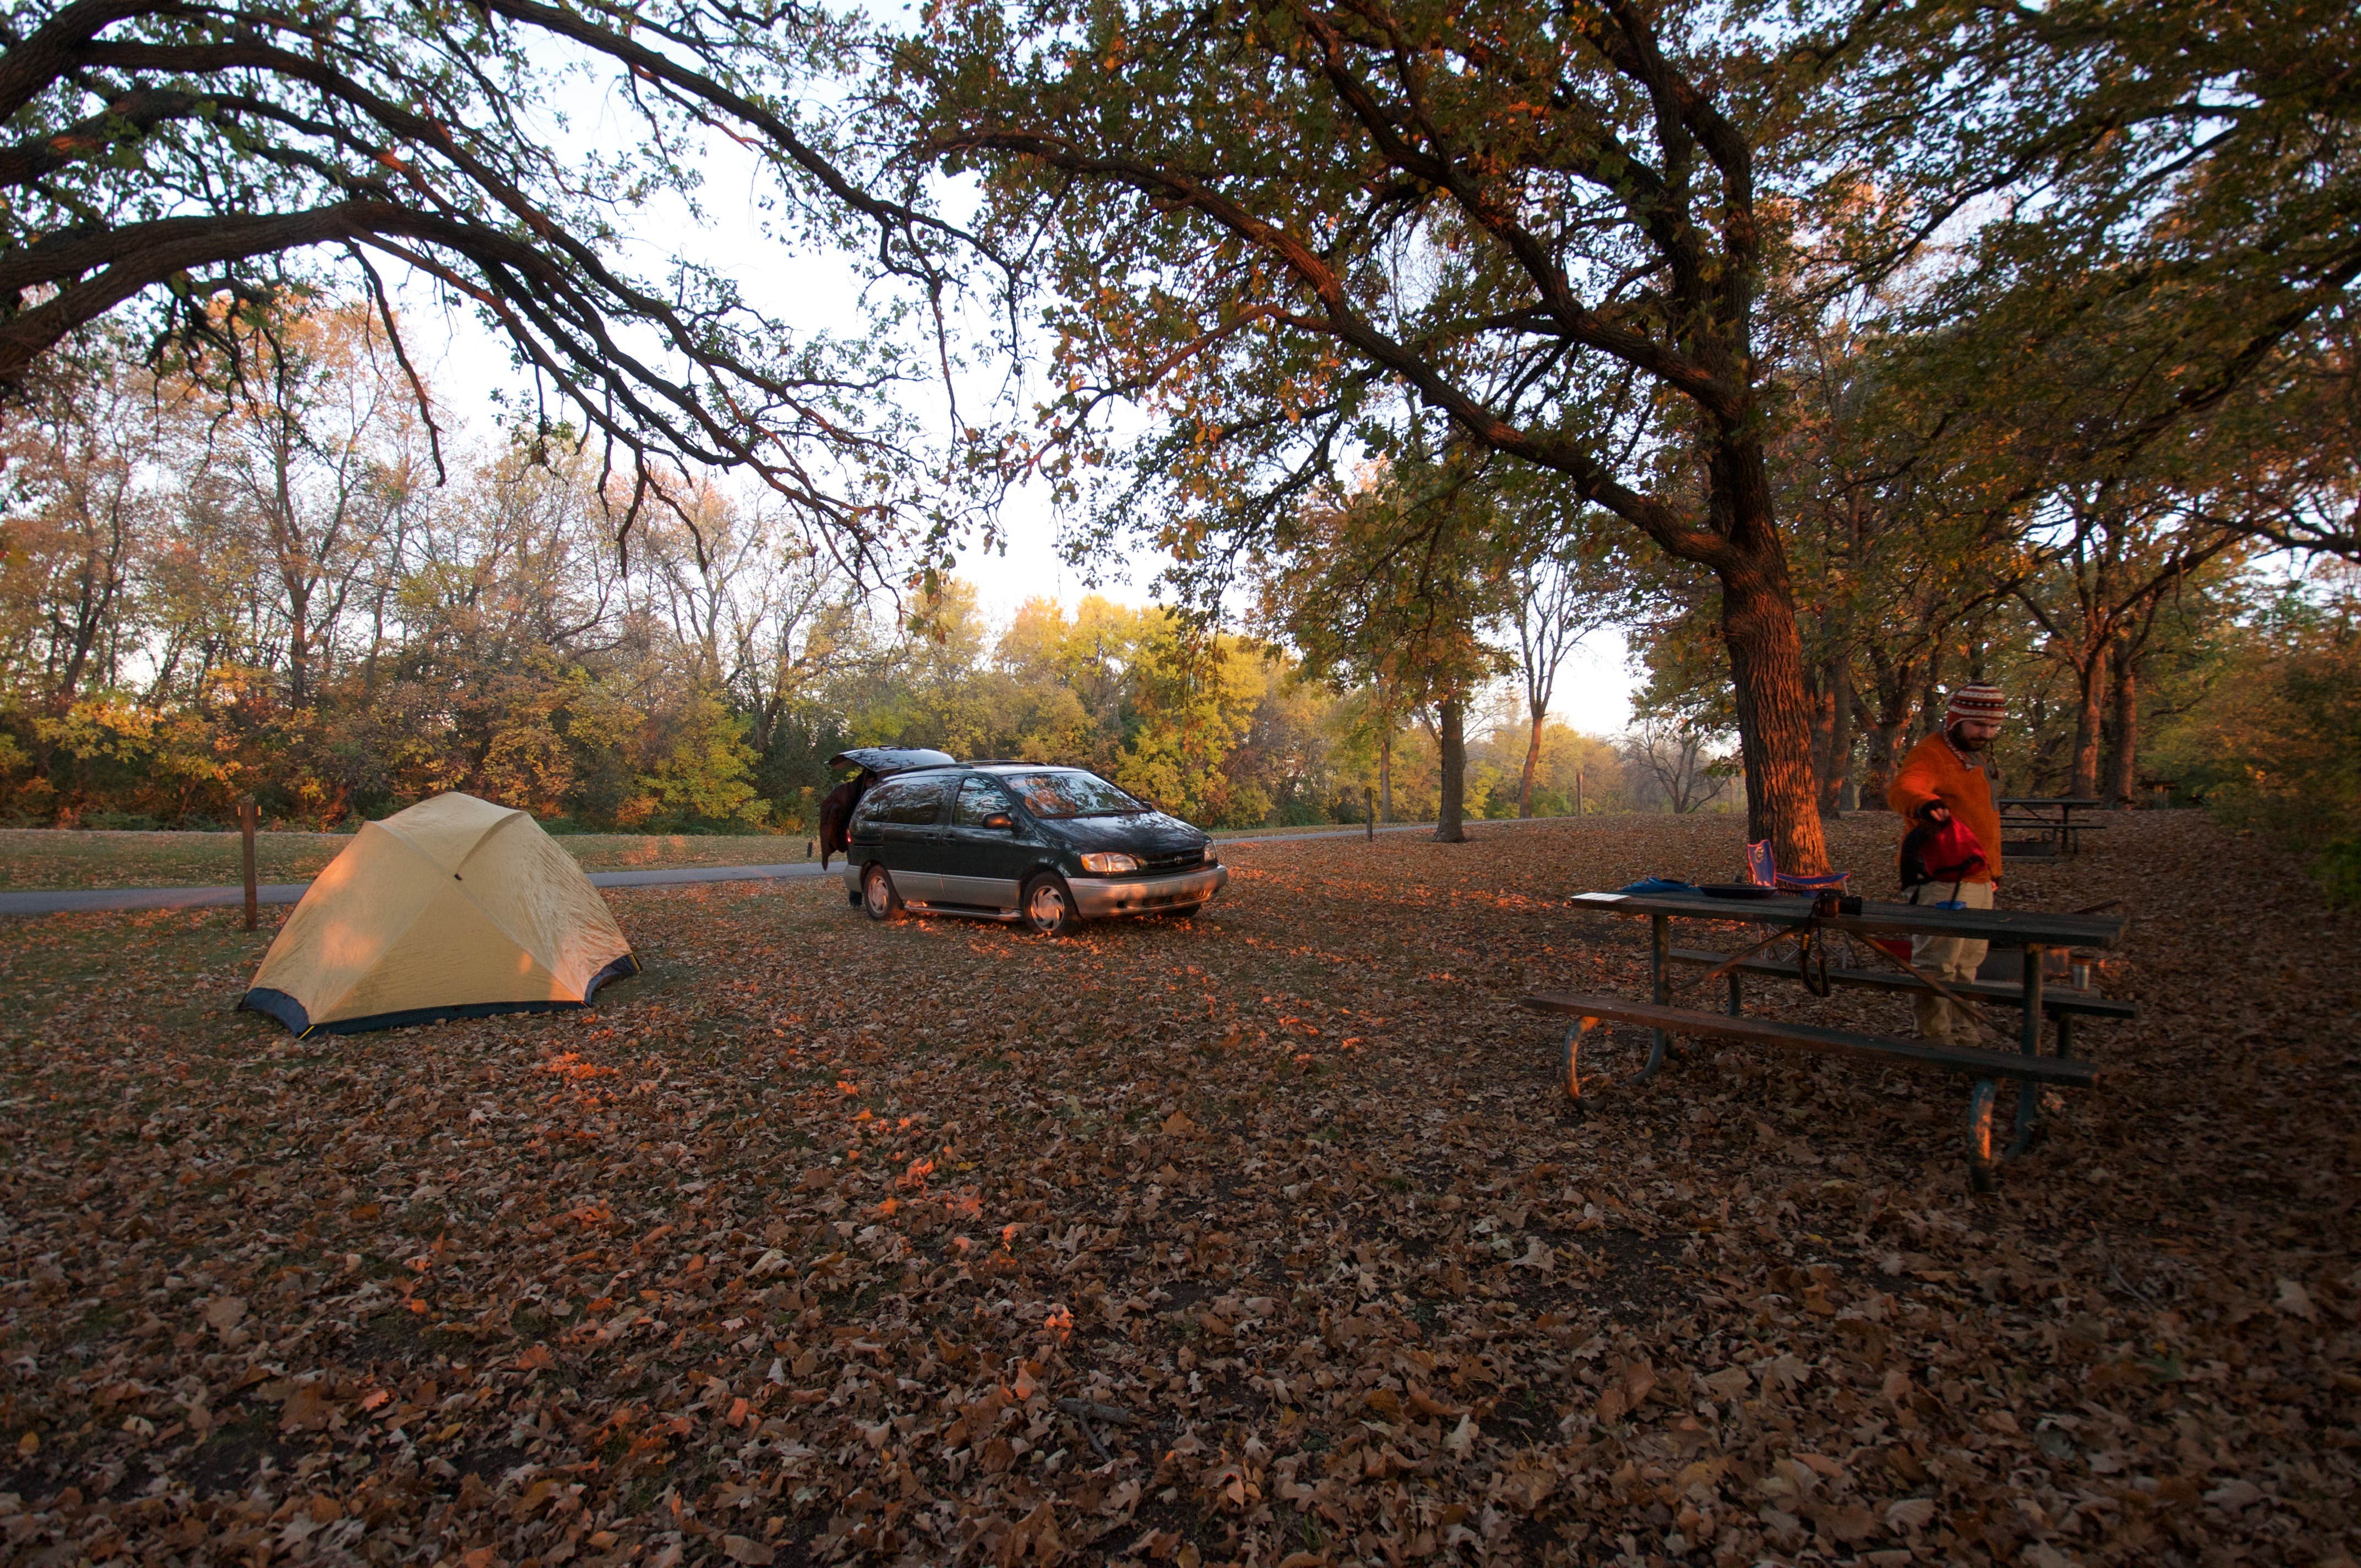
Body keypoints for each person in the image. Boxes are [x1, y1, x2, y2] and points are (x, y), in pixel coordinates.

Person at [1885, 683, 2006, 1044]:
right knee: (1937, 963)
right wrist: (1923, 804)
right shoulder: (1933, 754)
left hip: (1979, 878)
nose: (1986, 734)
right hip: (1944, 878)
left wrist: (1993, 875)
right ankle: (1935, 1038)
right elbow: (1904, 788)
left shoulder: (1974, 758)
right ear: (1956, 719)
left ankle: (1964, 1031)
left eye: (1993, 726)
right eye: (1978, 725)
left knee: (1969, 963)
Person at [815, 766, 875, 871]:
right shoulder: (850, 790)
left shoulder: (874, 793)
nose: (871, 785)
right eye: (870, 782)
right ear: (866, 780)